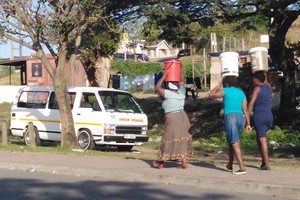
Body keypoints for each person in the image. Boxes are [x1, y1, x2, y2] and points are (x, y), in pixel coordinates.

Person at [209, 76, 251, 175]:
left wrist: (218, 85)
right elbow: (245, 109)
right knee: (232, 141)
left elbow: (212, 94)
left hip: (231, 117)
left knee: (234, 141)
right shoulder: (241, 92)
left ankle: (242, 168)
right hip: (241, 118)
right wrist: (248, 124)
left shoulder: (226, 90)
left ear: (226, 84)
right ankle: (230, 165)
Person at [152, 68, 193, 169]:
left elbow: (157, 87)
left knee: (168, 137)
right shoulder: (181, 93)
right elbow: (182, 82)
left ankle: (160, 162)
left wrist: (164, 76)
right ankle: (184, 162)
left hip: (173, 117)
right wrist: (180, 71)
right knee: (182, 138)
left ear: (169, 87)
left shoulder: (169, 94)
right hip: (183, 117)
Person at [248, 71, 273, 170]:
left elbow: (251, 104)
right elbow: (266, 81)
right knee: (260, 139)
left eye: (254, 79)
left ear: (257, 79)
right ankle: (263, 162)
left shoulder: (257, 89)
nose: (253, 80)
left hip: (260, 115)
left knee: (262, 139)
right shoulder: (268, 87)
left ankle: (266, 164)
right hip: (269, 115)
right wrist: (265, 74)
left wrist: (247, 117)